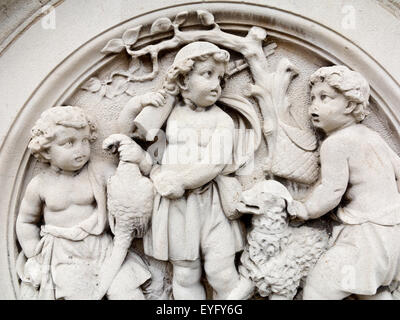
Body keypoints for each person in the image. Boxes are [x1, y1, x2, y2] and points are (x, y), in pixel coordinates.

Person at [119, 41, 261, 299]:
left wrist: (181, 181)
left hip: (210, 206)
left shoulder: (222, 119)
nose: (216, 83)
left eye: (220, 77)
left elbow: (215, 162)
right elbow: (130, 133)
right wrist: (137, 104)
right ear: (183, 80)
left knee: (221, 271)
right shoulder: (168, 113)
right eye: (207, 74)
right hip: (176, 209)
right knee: (185, 275)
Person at [287, 66, 400, 300]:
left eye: (324, 98)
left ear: (349, 105)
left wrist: (305, 209)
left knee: (318, 290)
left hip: (366, 233)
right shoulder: (373, 136)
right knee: (372, 291)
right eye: (312, 99)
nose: (313, 107)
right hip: (392, 233)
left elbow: (332, 190)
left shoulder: (336, 143)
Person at [16, 106, 150, 300]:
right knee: (76, 293)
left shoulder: (99, 171)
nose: (80, 149)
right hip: (64, 254)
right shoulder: (40, 185)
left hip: (102, 248)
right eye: (69, 143)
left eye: (85, 141)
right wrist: (34, 256)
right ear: (45, 151)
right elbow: (26, 221)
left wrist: (136, 157)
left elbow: (128, 184)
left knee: (128, 292)